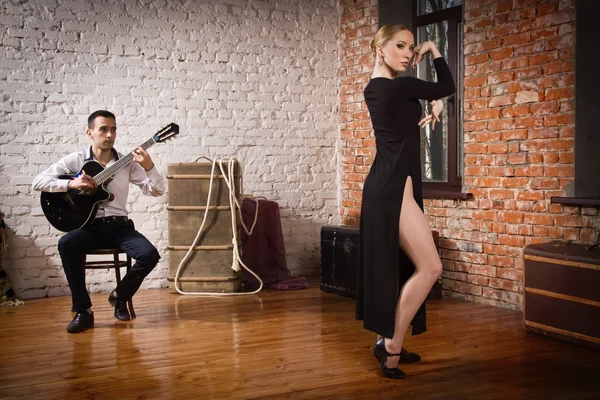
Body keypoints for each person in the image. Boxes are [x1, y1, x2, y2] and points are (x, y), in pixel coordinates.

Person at [355, 24, 456, 379]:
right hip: (392, 189)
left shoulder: (377, 89)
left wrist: (430, 109)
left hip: (390, 186)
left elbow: (400, 127)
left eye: (413, 47)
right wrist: (434, 48)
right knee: (430, 268)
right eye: (400, 46)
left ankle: (387, 339)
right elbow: (448, 85)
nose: (408, 53)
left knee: (404, 268)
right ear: (380, 49)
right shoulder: (399, 86)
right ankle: (391, 346)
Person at [32, 110, 165, 333]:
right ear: (90, 133)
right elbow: (39, 181)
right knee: (67, 243)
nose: (109, 134)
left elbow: (157, 191)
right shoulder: (77, 160)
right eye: (103, 129)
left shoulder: (127, 163)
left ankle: (120, 296)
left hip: (120, 226)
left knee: (150, 254)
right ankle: (83, 311)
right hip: (90, 228)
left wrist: (149, 166)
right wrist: (71, 185)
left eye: (113, 129)